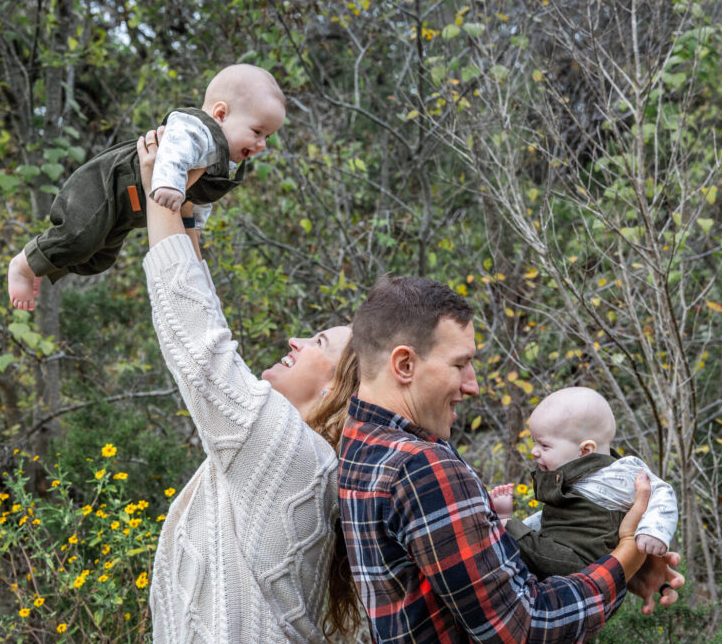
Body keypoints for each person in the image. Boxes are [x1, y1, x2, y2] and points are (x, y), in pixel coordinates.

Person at [338, 276, 684, 643]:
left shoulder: (360, 441)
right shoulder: (421, 467)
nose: (473, 385)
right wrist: (624, 556)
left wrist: (608, 562)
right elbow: (523, 629)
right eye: (460, 365)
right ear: (405, 364)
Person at [135, 128, 360, 643]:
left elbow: (198, 344)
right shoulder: (302, 456)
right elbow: (204, 316)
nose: (297, 339)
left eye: (319, 342)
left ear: (335, 391)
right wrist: (180, 203)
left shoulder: (292, 454)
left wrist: (161, 192)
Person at [8, 63, 286, 311]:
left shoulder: (227, 161)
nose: (262, 144)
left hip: (132, 206)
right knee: (79, 237)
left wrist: (195, 227)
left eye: (268, 137)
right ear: (221, 114)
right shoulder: (198, 131)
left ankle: (45, 263)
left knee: (99, 256)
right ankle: (23, 265)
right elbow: (174, 154)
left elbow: (202, 196)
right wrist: (170, 184)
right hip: (110, 183)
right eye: (257, 132)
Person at [489, 386, 678, 578]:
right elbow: (552, 518)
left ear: (585, 450)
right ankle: (507, 529)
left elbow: (662, 492)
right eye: (534, 442)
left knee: (530, 553)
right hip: (555, 551)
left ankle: (506, 525)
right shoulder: (568, 476)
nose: (534, 451)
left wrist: (653, 531)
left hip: (584, 564)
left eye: (544, 445)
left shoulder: (618, 473)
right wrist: (526, 526)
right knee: (525, 559)